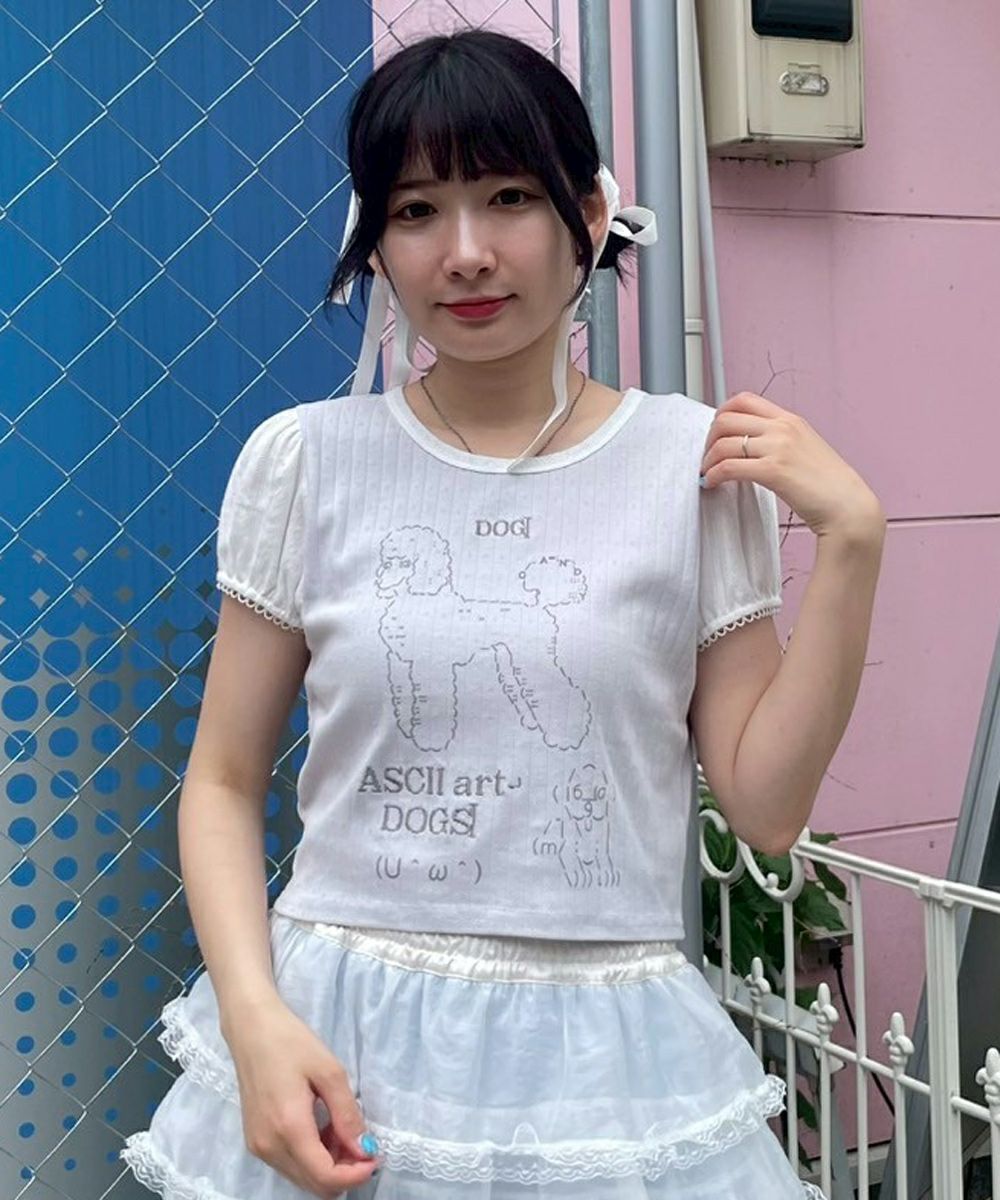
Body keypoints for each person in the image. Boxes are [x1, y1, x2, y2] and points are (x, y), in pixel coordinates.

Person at [120, 27, 885, 1200]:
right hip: (341, 1032)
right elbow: (222, 780)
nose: (466, 252)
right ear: (375, 242)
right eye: (416, 211)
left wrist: (852, 545)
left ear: (590, 216)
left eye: (510, 198)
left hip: (603, 1061)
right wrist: (253, 1018)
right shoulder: (306, 461)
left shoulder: (690, 468)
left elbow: (766, 809)